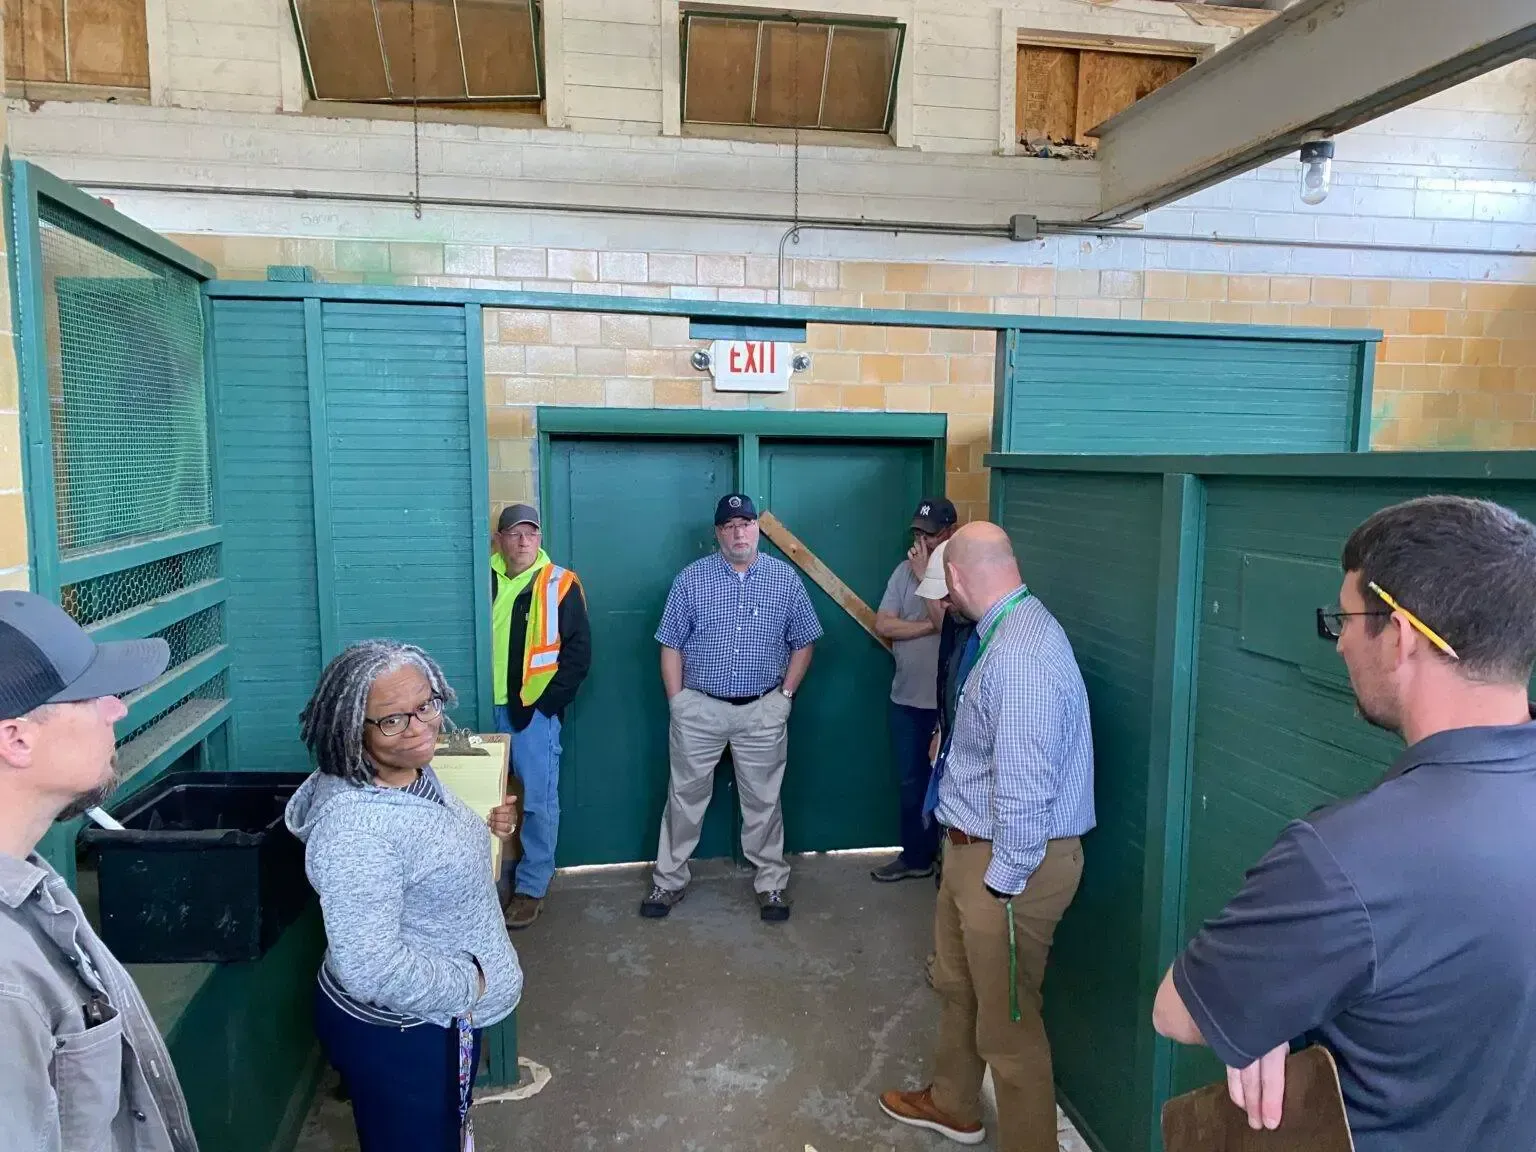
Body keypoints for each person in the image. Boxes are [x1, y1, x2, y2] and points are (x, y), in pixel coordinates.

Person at [1152, 495, 1536, 1151]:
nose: (1342, 644)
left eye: (1349, 620)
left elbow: (1180, 1012)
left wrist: (1270, 1008)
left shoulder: (1342, 860)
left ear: (1405, 637)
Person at [879, 522, 1096, 1151]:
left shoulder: (1018, 654)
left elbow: (1025, 795)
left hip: (1010, 863)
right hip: (974, 849)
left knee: (1009, 1026)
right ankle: (952, 1103)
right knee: (959, 987)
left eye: (943, 590)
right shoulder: (1005, 629)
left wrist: (999, 888)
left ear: (958, 578)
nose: (943, 603)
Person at [286, 640, 524, 1152]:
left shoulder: (405, 772)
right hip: (406, 1028)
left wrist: (483, 827)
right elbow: (370, 967)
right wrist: (473, 982)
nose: (420, 727)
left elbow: (418, 847)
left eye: (427, 705)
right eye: (392, 720)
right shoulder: (356, 832)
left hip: (432, 1016)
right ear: (352, 728)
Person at [0, 592, 199, 1152]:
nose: (118, 709)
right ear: (17, 739)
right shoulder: (5, 985)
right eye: (92, 696)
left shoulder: (27, 884)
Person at [641, 493, 822, 923]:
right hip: (700, 709)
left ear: (757, 528)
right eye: (730, 525)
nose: (739, 532)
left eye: (746, 523)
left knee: (763, 800)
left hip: (762, 710)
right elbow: (670, 644)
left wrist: (785, 698)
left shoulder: (785, 580)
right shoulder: (692, 580)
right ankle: (668, 881)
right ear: (718, 533)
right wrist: (678, 701)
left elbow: (805, 642)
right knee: (684, 798)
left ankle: (771, 884)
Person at [490, 502, 592, 929]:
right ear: (500, 539)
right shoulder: (480, 579)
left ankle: (531, 886)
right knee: (477, 800)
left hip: (530, 713)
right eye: (514, 532)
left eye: (531, 532)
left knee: (537, 802)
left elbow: (578, 654)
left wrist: (546, 706)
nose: (523, 540)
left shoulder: (560, 584)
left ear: (540, 537)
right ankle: (475, 886)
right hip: (480, 708)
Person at [871, 497, 959, 883]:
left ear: (948, 533)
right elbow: (884, 625)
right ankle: (915, 857)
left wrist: (928, 578)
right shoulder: (901, 572)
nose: (920, 541)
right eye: (916, 532)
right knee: (911, 783)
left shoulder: (959, 575)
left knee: (951, 783)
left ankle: (951, 863)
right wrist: (924, 625)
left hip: (947, 706)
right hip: (906, 699)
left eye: (928, 533)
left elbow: (951, 627)